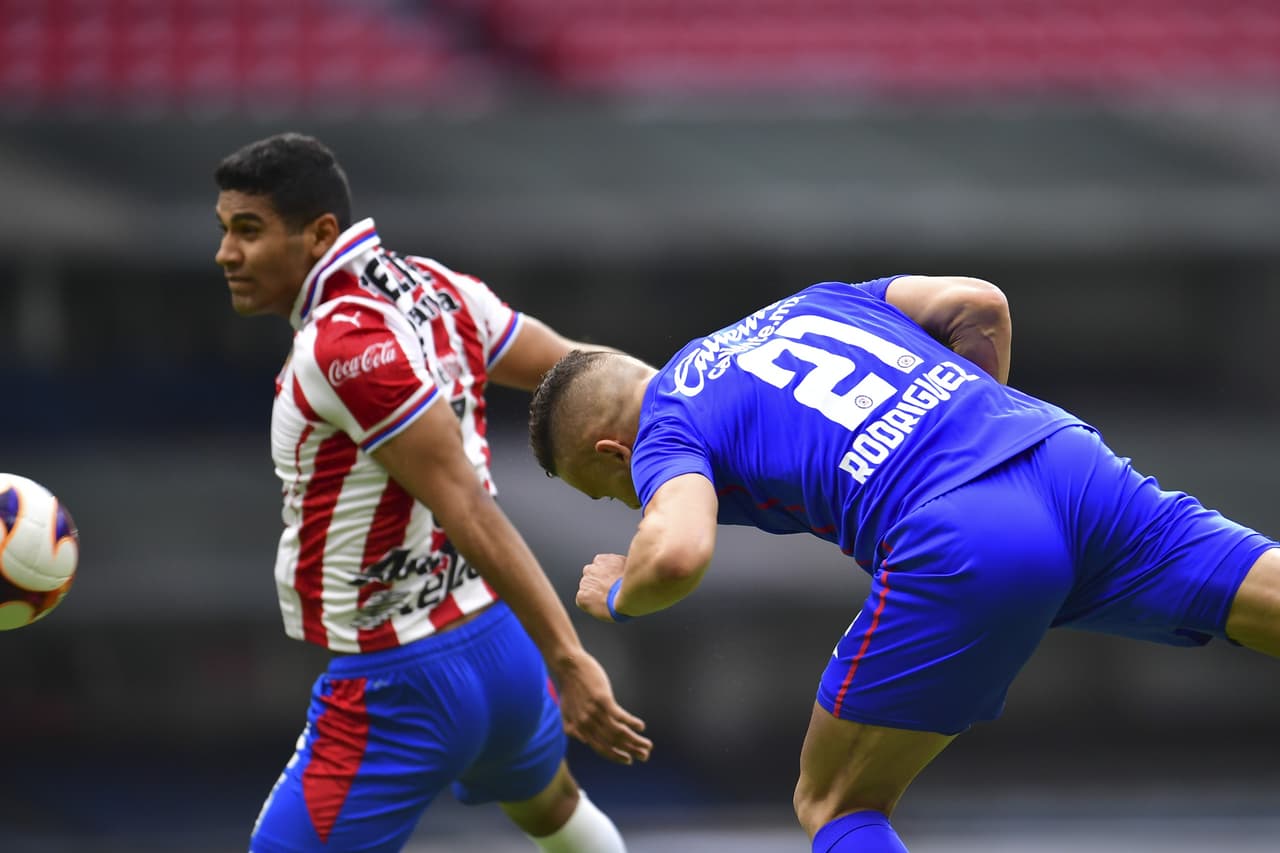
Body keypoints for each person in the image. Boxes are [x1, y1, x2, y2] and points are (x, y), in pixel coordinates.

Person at [527, 274, 1280, 853]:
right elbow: (978, 303)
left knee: (832, 801)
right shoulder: (810, 303)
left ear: (611, 452)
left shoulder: (665, 425)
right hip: (1060, 459)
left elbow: (679, 553)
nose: (633, 501)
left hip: (960, 533)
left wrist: (622, 587)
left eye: (613, 492)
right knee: (1261, 598)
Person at [213, 132, 651, 853]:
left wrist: (569, 657)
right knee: (554, 810)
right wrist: (692, 400)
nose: (226, 254)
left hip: (400, 682)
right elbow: (578, 366)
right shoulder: (434, 284)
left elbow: (467, 503)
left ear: (320, 233)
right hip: (496, 645)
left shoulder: (342, 346)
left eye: (248, 231)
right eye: (225, 231)